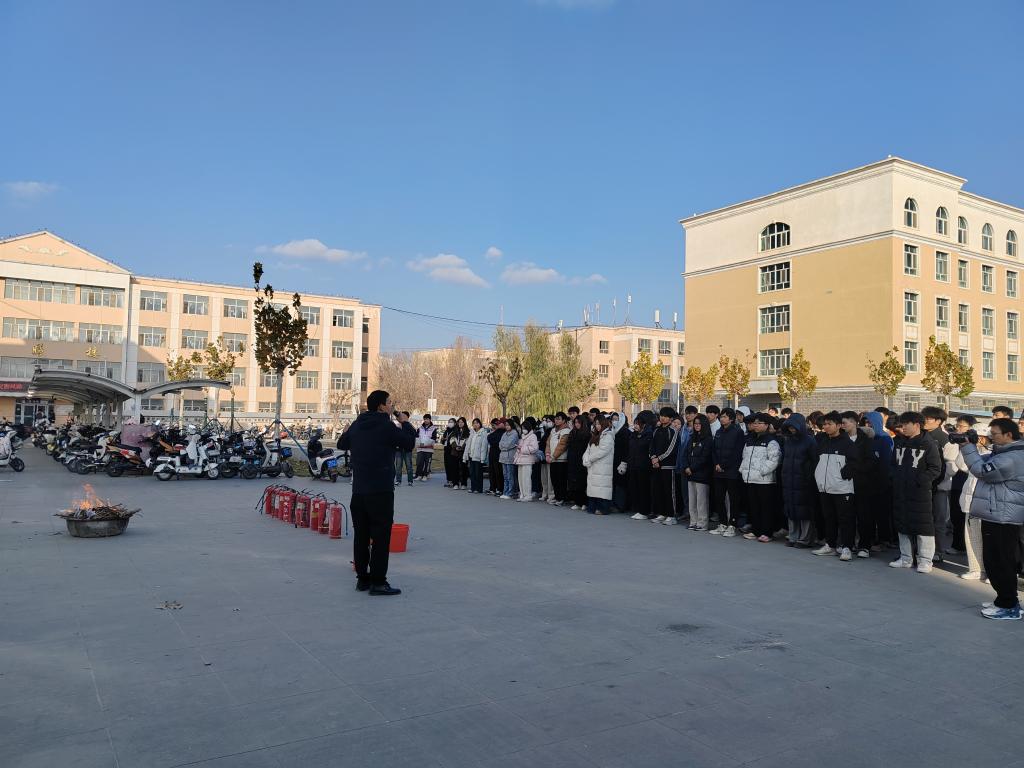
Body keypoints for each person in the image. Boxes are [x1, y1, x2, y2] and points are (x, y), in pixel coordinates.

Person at [338, 390, 414, 596]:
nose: (392, 406)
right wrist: (405, 422)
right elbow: (409, 443)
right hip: (380, 490)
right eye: (389, 402)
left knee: (361, 536)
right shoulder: (386, 426)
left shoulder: (358, 424)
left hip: (359, 490)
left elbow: (342, 444)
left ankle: (362, 579)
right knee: (380, 537)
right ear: (381, 406)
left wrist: (345, 432)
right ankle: (378, 582)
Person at [958, 418, 1024, 619]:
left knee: (1000, 561)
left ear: (1008, 435)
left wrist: (967, 447)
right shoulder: (1006, 452)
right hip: (997, 513)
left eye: (994, 434)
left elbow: (982, 471)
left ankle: (1008, 606)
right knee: (995, 560)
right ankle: (1005, 600)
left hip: (1003, 516)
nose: (991, 437)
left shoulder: (1012, 457)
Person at [889, 411, 942, 573]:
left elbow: (935, 469)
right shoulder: (899, 442)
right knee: (902, 524)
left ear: (917, 425)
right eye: (902, 424)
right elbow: (893, 464)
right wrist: (895, 478)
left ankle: (925, 560)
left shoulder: (928, 443)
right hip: (900, 490)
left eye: (906, 424)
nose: (903, 427)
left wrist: (920, 481)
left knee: (923, 527)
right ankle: (906, 558)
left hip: (919, 492)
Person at [812, 411, 859, 560]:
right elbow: (817, 461)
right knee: (829, 518)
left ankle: (846, 548)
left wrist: (842, 476)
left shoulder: (847, 443)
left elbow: (855, 463)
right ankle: (830, 545)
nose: (826, 426)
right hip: (825, 487)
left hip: (842, 488)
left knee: (845, 519)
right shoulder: (822, 442)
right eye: (824, 424)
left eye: (829, 424)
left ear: (839, 425)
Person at [840, 411, 878, 558]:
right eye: (841, 423)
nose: (843, 426)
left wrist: (855, 469)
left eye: (845, 423)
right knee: (846, 516)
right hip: (843, 484)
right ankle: (847, 545)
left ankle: (864, 546)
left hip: (862, 483)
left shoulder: (866, 440)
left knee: (864, 516)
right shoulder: (841, 440)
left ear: (854, 422)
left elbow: (872, 462)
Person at [922, 406, 957, 561]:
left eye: (928, 418)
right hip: (922, 485)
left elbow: (951, 466)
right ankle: (921, 550)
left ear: (938, 421)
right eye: (924, 418)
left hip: (939, 487)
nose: (925, 421)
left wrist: (934, 479)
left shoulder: (946, 439)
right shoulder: (920, 436)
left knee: (938, 520)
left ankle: (938, 550)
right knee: (922, 519)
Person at [739, 413, 781, 542]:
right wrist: (743, 470)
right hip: (750, 478)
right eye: (754, 423)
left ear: (766, 425)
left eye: (759, 423)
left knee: (766, 508)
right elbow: (744, 457)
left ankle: (766, 532)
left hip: (765, 481)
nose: (755, 425)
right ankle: (755, 530)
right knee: (754, 507)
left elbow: (774, 460)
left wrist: (762, 471)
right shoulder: (750, 440)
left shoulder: (771, 441)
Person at [780, 413, 817, 547]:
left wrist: (809, 478)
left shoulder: (810, 441)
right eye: (789, 427)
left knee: (804, 510)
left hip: (804, 480)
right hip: (789, 479)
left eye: (793, 427)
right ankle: (793, 536)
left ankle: (805, 539)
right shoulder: (788, 441)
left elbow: (815, 461)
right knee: (791, 508)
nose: (791, 429)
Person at [862, 411, 895, 550]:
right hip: (867, 482)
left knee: (882, 513)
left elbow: (886, 462)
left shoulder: (884, 438)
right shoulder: (864, 439)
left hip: (882, 482)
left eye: (869, 422)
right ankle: (870, 539)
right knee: (869, 513)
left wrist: (884, 481)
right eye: (865, 422)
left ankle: (884, 540)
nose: (867, 425)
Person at [710, 407, 744, 536]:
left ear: (731, 419)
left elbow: (737, 452)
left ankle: (732, 525)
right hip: (718, 471)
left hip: (732, 471)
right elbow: (714, 450)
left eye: (724, 417)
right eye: (721, 417)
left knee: (733, 499)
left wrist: (723, 465)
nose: (722, 419)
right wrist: (717, 464)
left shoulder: (737, 432)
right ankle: (722, 523)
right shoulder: (719, 431)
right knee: (719, 498)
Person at [948, 414, 977, 553]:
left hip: (969, 482)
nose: (958, 429)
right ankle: (957, 545)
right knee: (955, 515)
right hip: (956, 482)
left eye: (961, 426)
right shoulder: (954, 441)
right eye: (957, 426)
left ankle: (965, 546)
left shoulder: (974, 443)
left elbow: (963, 465)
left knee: (965, 517)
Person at [649, 407, 680, 524]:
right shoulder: (656, 430)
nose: (662, 418)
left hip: (668, 466)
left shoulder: (673, 431)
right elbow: (651, 446)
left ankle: (671, 515)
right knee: (658, 490)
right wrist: (653, 458)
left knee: (669, 491)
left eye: (666, 416)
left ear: (671, 418)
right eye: (661, 415)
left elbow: (671, 449)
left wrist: (659, 459)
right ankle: (662, 513)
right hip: (656, 465)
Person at [683, 413, 713, 530]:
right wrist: (686, 467)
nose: (697, 425)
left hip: (702, 474)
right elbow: (686, 454)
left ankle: (702, 523)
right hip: (690, 473)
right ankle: (693, 521)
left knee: (701, 501)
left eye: (699, 424)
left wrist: (692, 468)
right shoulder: (692, 438)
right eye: (695, 423)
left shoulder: (708, 440)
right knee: (692, 500)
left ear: (704, 425)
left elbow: (705, 458)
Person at [583, 414, 615, 514]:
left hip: (602, 467)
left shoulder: (608, 436)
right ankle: (593, 507)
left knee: (602, 487)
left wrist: (590, 459)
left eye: (599, 424)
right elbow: (588, 449)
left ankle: (603, 508)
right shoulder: (594, 436)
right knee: (593, 487)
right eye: (596, 424)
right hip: (593, 466)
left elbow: (602, 451)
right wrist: (585, 459)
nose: (597, 426)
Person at [627, 411, 655, 520]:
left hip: (644, 466)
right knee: (635, 488)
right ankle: (638, 509)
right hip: (634, 465)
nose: (635, 426)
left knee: (644, 489)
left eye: (638, 424)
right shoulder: (633, 435)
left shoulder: (649, 434)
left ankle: (644, 511)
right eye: (635, 423)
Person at [566, 415, 591, 510]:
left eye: (578, 422)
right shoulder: (572, 433)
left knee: (582, 482)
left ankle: (584, 502)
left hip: (582, 460)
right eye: (575, 422)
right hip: (573, 459)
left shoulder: (587, 434)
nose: (576, 424)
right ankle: (577, 502)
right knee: (574, 482)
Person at [547, 412, 571, 505]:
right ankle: (557, 497)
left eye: (559, 419)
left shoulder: (566, 431)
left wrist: (553, 456)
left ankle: (562, 498)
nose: (556, 421)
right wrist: (547, 454)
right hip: (552, 459)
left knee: (561, 480)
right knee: (554, 479)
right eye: (556, 419)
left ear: (564, 420)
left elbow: (562, 445)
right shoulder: (553, 430)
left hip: (561, 460)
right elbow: (548, 443)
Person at [514, 417, 540, 502]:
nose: (523, 430)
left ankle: (528, 495)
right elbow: (520, 448)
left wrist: (522, 448)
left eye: (524, 428)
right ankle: (522, 494)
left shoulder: (532, 436)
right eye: (522, 428)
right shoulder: (522, 437)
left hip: (528, 460)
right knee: (520, 478)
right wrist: (518, 449)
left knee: (526, 478)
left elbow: (534, 448)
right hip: (520, 460)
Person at [498, 418, 521, 499]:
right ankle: (505, 491)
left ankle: (511, 492)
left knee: (510, 476)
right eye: (506, 425)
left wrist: (504, 446)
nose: (507, 426)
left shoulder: (514, 434)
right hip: (503, 457)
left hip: (510, 457)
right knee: (505, 476)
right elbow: (500, 444)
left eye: (508, 425)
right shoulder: (504, 434)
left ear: (512, 425)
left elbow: (509, 444)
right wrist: (504, 446)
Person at [465, 418, 488, 493]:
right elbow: (469, 444)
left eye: (477, 423)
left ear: (480, 424)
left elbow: (484, 446)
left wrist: (482, 458)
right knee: (472, 473)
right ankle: (473, 487)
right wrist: (467, 454)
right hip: (471, 456)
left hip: (478, 457)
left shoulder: (483, 433)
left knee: (478, 473)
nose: (475, 424)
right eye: (474, 423)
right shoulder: (472, 433)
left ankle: (478, 488)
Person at [394, 411, 415, 486]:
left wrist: (410, 447)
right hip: (398, 449)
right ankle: (398, 480)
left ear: (406, 417)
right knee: (398, 466)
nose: (400, 417)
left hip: (407, 450)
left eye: (402, 415)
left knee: (409, 466)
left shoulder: (409, 426)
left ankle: (410, 481)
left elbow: (413, 436)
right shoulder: (397, 426)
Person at [414, 415, 437, 481]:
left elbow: (433, 438)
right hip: (420, 448)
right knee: (419, 463)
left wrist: (426, 444)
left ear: (430, 420)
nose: (426, 420)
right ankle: (419, 475)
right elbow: (417, 437)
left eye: (427, 419)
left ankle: (425, 475)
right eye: (425, 419)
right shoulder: (420, 428)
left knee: (427, 463)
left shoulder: (433, 428)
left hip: (429, 449)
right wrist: (420, 444)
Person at [442, 418, 462, 488]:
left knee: (452, 466)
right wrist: (443, 439)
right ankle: (449, 480)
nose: (450, 423)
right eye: (449, 422)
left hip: (452, 451)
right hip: (446, 450)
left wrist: (449, 440)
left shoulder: (456, 431)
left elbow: (456, 441)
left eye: (451, 422)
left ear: (455, 423)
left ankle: (454, 481)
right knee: (447, 465)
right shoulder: (447, 431)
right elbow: (443, 441)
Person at [487, 418, 504, 495]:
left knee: (498, 472)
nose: (493, 427)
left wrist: (492, 435)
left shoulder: (502, 432)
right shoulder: (493, 432)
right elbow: (489, 438)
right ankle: (492, 488)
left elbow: (495, 440)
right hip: (492, 453)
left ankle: (499, 489)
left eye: (495, 425)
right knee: (492, 471)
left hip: (498, 454)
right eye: (492, 425)